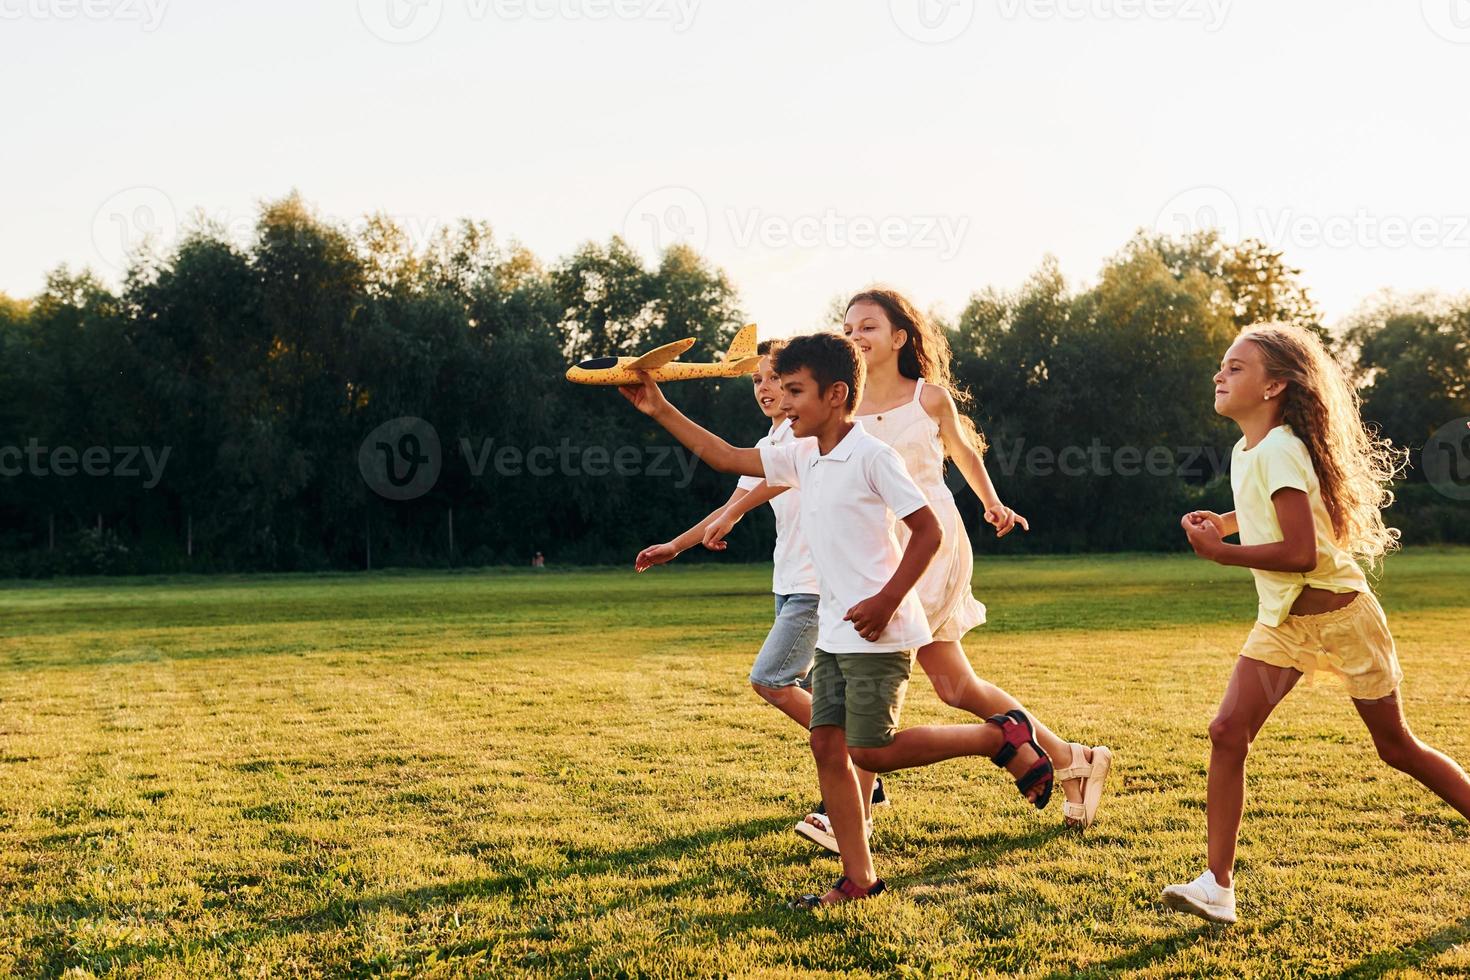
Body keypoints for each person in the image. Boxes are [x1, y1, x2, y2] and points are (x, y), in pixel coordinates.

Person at [618, 331, 1056, 908]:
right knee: (828, 745)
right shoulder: (801, 452)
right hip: (833, 629)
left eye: (795, 390)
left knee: (870, 751)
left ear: (835, 394)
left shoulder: (874, 455)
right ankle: (859, 878)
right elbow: (727, 458)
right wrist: (658, 407)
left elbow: (928, 531)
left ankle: (998, 736)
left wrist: (886, 600)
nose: (783, 400)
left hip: (879, 630)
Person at [1161, 323, 1470, 925]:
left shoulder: (1280, 447)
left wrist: (1223, 554)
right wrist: (1226, 524)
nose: (1219, 375)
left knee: (1396, 747)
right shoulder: (1249, 449)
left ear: (1274, 385)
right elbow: (1274, 512)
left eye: (1235, 368)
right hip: (1283, 623)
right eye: (1223, 366)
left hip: (1341, 618)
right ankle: (1217, 885)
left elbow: (1302, 553)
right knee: (1227, 730)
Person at [635, 340, 889, 847]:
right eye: (757, 380)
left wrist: (736, 508)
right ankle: (858, 791)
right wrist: (677, 546)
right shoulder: (773, 440)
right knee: (824, 696)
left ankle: (862, 773)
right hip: (788, 583)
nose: (766, 388)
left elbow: (752, 484)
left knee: (771, 680)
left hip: (815, 588)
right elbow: (732, 486)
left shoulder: (807, 438)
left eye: (778, 379)